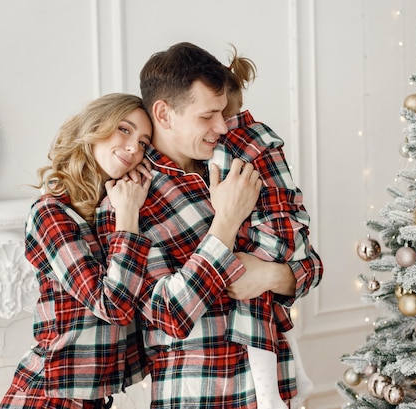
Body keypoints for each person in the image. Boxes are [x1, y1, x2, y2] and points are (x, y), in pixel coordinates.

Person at [97, 41, 323, 408]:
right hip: (199, 395)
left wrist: (271, 276)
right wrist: (227, 221)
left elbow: (311, 264)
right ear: (164, 114)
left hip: (277, 391)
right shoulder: (127, 201)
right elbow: (168, 314)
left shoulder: (238, 163)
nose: (222, 125)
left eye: (222, 112)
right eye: (207, 116)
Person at [0, 93, 155, 409]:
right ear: (96, 127)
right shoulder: (50, 212)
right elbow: (114, 306)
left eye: (143, 143)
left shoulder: (109, 211)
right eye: (124, 130)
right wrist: (128, 216)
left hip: (92, 400)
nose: (132, 148)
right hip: (48, 395)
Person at [210, 45, 317, 409]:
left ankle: (269, 396)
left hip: (265, 240)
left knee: (251, 311)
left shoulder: (225, 146)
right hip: (288, 236)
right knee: (271, 311)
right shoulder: (260, 133)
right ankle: (297, 375)